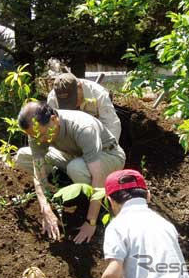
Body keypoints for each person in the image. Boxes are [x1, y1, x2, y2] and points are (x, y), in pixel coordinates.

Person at [15, 101, 126, 243]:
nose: (40, 140)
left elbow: (97, 177)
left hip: (108, 156)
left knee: (76, 168)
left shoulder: (83, 127)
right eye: (35, 137)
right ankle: (69, 182)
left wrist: (90, 222)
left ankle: (98, 206)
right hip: (74, 156)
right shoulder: (36, 130)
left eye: (42, 135)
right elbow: (38, 171)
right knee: (23, 156)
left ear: (54, 119)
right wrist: (45, 208)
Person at [100, 169, 189, 278]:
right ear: (148, 196)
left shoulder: (117, 226)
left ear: (110, 201)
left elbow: (113, 273)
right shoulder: (165, 224)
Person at [47, 72, 121, 141]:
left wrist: (108, 149)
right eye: (66, 103)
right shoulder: (52, 99)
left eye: (73, 101)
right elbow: (51, 127)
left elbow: (112, 124)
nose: (71, 106)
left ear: (79, 86)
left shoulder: (98, 93)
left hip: (97, 136)